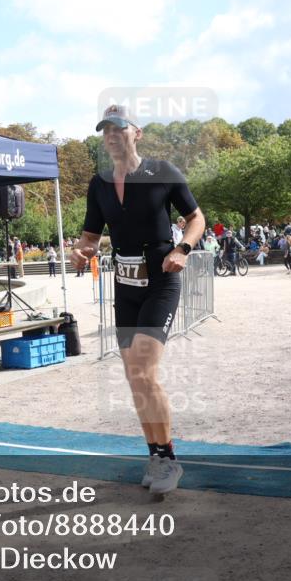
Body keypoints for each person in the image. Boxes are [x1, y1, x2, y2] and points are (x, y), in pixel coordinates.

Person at [70, 104, 205, 495]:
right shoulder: (98, 184)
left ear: (136, 133)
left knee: (144, 371)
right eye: (105, 130)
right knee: (134, 378)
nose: (111, 135)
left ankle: (169, 460)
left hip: (162, 278)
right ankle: (155, 455)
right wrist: (82, 251)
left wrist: (183, 249)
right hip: (125, 285)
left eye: (118, 128)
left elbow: (196, 218)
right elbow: (91, 237)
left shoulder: (162, 172)